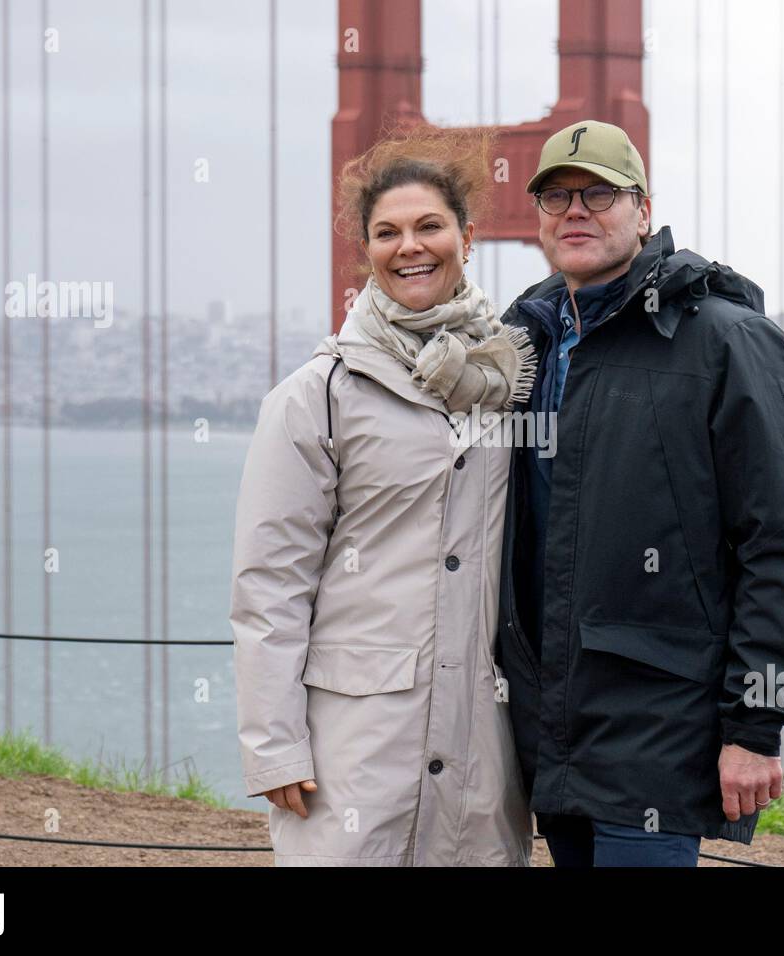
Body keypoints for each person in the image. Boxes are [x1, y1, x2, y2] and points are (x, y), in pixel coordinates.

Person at [495, 119, 784, 867]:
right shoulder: (526, 343)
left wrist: (757, 725)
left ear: (644, 212)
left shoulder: (729, 342)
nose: (573, 210)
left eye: (598, 194)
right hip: (551, 725)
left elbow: (780, 546)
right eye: (554, 197)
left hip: (659, 726)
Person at [230, 124, 536, 866]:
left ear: (467, 234)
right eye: (387, 232)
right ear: (364, 250)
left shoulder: (513, 379)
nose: (411, 246)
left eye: (430, 226)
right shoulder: (318, 395)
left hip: (482, 748)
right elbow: (270, 582)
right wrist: (274, 748)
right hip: (354, 745)